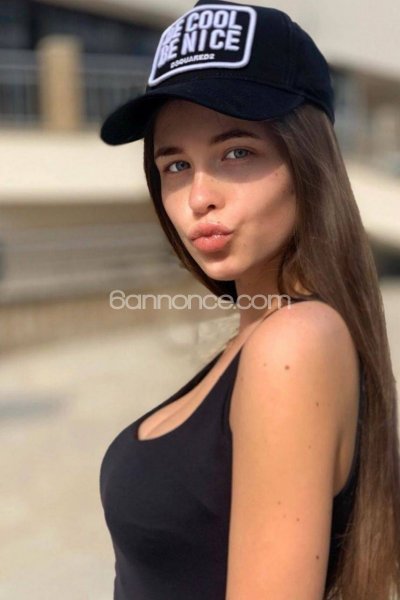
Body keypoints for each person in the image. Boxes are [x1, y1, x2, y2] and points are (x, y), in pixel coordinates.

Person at [99, 1, 400, 598]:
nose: (198, 197)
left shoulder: (293, 344)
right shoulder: (260, 338)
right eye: (175, 164)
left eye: (236, 152)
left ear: (306, 162)